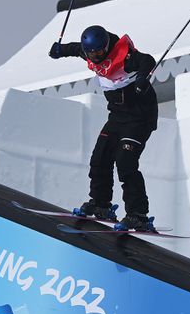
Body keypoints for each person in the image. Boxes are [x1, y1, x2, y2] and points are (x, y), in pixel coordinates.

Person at [48, 25, 159, 232]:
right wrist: (59, 50)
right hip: (117, 116)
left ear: (107, 46)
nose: (96, 56)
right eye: (92, 52)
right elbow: (74, 48)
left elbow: (147, 60)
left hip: (140, 116)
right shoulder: (89, 53)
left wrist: (143, 77)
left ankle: (138, 215)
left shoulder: (124, 56)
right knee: (100, 158)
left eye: (100, 51)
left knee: (125, 162)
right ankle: (101, 204)